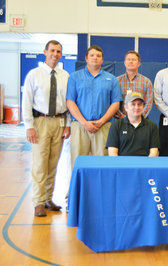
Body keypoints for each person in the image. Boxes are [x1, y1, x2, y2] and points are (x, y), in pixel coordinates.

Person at [22, 40, 70, 217]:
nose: (55, 54)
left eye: (58, 51)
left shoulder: (65, 76)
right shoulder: (34, 75)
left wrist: (68, 124)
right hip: (40, 122)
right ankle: (38, 202)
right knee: (40, 164)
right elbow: (26, 101)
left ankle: (49, 199)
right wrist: (29, 126)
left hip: (58, 121)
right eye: (52, 50)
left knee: (53, 163)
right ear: (45, 52)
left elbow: (69, 102)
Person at [66, 45, 122, 169]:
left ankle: (102, 189)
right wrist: (84, 123)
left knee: (103, 164)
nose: (95, 58)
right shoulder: (74, 77)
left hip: (103, 126)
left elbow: (115, 103)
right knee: (77, 162)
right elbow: (70, 102)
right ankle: (78, 188)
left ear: (102, 60)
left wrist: (101, 122)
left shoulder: (112, 79)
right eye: (92, 55)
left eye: (98, 56)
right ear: (86, 58)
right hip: (80, 126)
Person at [106, 92, 159, 156]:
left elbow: (154, 153)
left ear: (143, 107)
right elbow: (112, 153)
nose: (137, 107)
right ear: (126, 107)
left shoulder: (152, 126)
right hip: (122, 165)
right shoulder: (116, 125)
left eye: (139, 104)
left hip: (145, 165)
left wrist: (146, 165)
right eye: (133, 104)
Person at [116, 51, 153, 118]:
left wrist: (139, 118)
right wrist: (123, 118)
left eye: (134, 60)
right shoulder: (117, 81)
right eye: (128, 59)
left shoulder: (146, 82)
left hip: (141, 121)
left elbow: (148, 103)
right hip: (121, 121)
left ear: (139, 63)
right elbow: (114, 103)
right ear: (124, 63)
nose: (131, 61)